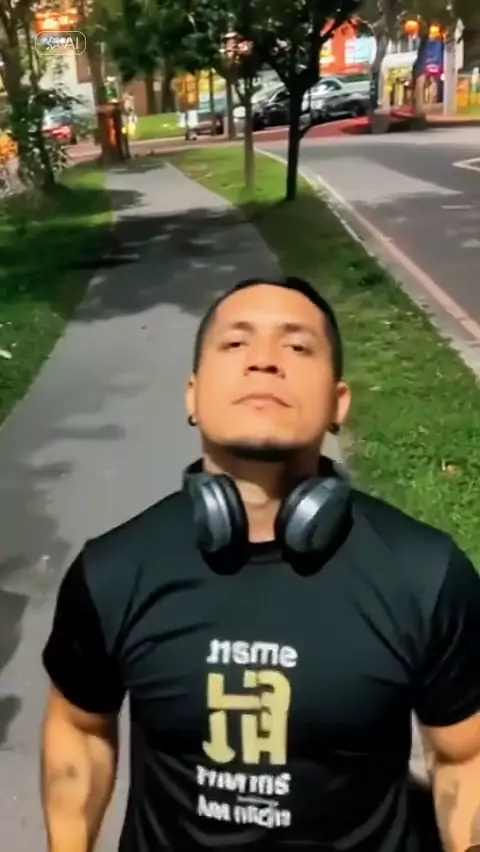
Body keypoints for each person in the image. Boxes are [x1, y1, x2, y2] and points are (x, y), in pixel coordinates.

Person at [41, 276, 480, 852]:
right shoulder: (112, 572)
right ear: (193, 395)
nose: (265, 360)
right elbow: (80, 727)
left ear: (338, 403)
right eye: (235, 343)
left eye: (297, 346)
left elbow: (465, 757)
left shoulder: (425, 575)